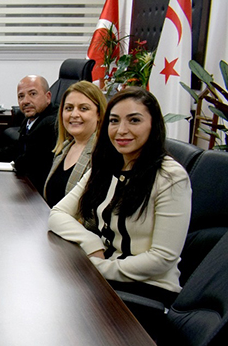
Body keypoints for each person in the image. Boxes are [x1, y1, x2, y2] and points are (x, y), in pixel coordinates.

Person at [49, 87, 191, 308]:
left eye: (134, 120)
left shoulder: (170, 177)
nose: (121, 130)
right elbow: (57, 213)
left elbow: (162, 258)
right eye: (114, 121)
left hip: (148, 289)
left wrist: (99, 267)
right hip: (106, 276)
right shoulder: (105, 166)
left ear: (153, 125)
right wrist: (91, 243)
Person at [0, 75, 57, 193]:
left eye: (33, 94)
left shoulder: (51, 123)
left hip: (38, 193)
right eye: (21, 96)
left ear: (48, 97)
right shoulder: (31, 119)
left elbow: (27, 162)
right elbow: (19, 148)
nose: (25, 101)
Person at [43, 81, 106, 207]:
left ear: (99, 114)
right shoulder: (64, 148)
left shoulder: (102, 154)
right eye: (69, 108)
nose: (74, 114)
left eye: (83, 108)